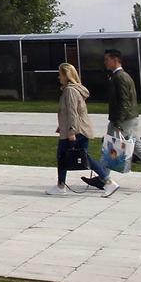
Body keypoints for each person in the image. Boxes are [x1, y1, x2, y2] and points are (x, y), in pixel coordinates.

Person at [82, 49, 141, 195]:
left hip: (123, 120)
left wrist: (118, 122)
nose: (105, 62)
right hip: (129, 119)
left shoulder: (120, 77)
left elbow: (124, 102)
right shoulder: (122, 76)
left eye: (107, 59)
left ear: (115, 60)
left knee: (110, 147)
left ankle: (103, 178)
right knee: (138, 150)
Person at [47, 62, 107, 195]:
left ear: (66, 75)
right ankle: (108, 182)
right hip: (80, 128)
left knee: (62, 156)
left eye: (60, 74)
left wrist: (71, 131)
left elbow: (73, 112)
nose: (59, 77)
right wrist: (62, 125)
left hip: (75, 130)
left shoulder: (70, 91)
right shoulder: (75, 90)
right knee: (85, 157)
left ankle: (61, 186)